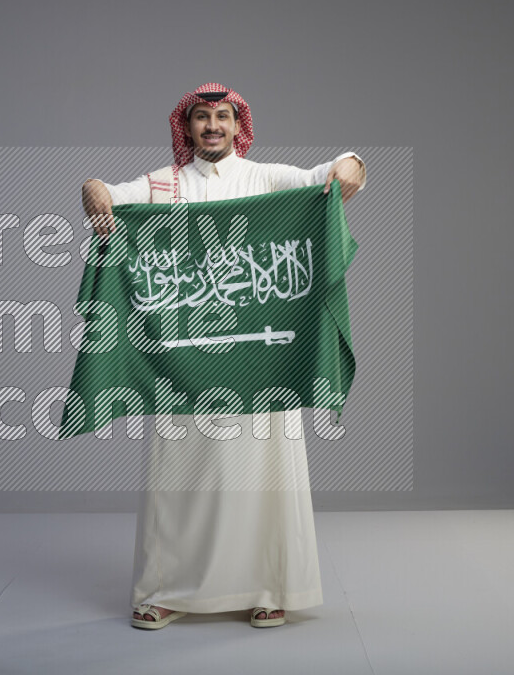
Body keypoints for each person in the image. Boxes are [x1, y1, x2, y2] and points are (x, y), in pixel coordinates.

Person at [81, 83, 366, 629]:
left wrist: (353, 165)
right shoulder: (162, 186)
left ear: (238, 126)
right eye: (201, 117)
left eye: (223, 117)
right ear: (186, 127)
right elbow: (109, 193)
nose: (212, 126)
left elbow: (331, 173)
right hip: (182, 362)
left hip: (261, 360)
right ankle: (165, 591)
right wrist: (92, 190)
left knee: (265, 475)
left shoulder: (267, 178)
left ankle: (268, 588)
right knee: (176, 478)